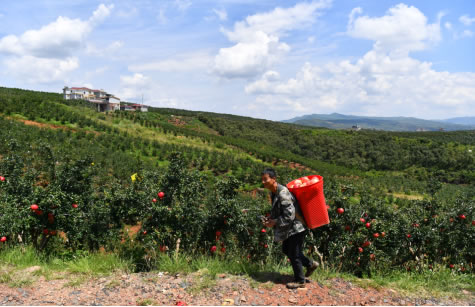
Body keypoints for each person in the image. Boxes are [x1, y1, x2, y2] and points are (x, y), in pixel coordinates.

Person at [261, 168, 319, 289]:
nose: (263, 182)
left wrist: (275, 222)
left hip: (297, 227)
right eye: (262, 180)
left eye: (265, 179)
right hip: (289, 228)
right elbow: (278, 211)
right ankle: (310, 264)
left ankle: (300, 280)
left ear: (274, 179)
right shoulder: (274, 192)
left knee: (294, 253)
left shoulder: (282, 193)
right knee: (287, 250)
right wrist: (270, 219)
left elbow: (289, 215)